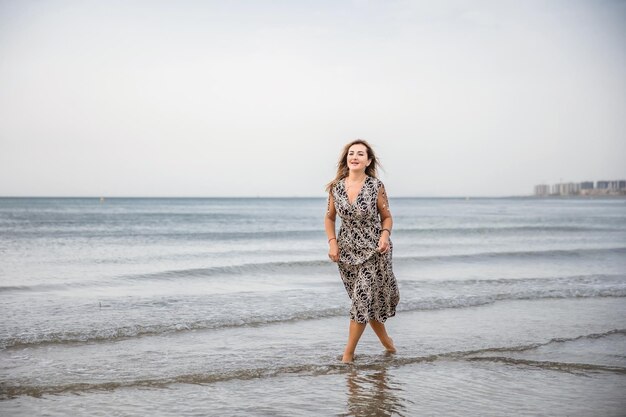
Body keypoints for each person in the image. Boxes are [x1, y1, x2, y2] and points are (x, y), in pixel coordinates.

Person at [325, 139, 400, 363]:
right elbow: (329, 218)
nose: (354, 157)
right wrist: (332, 242)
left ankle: (347, 356)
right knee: (366, 302)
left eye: (360, 154)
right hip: (346, 253)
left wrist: (385, 236)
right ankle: (387, 342)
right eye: (351, 154)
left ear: (368, 161)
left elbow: (387, 217)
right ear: (346, 159)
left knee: (361, 300)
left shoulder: (376, 186)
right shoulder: (335, 187)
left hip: (374, 251)